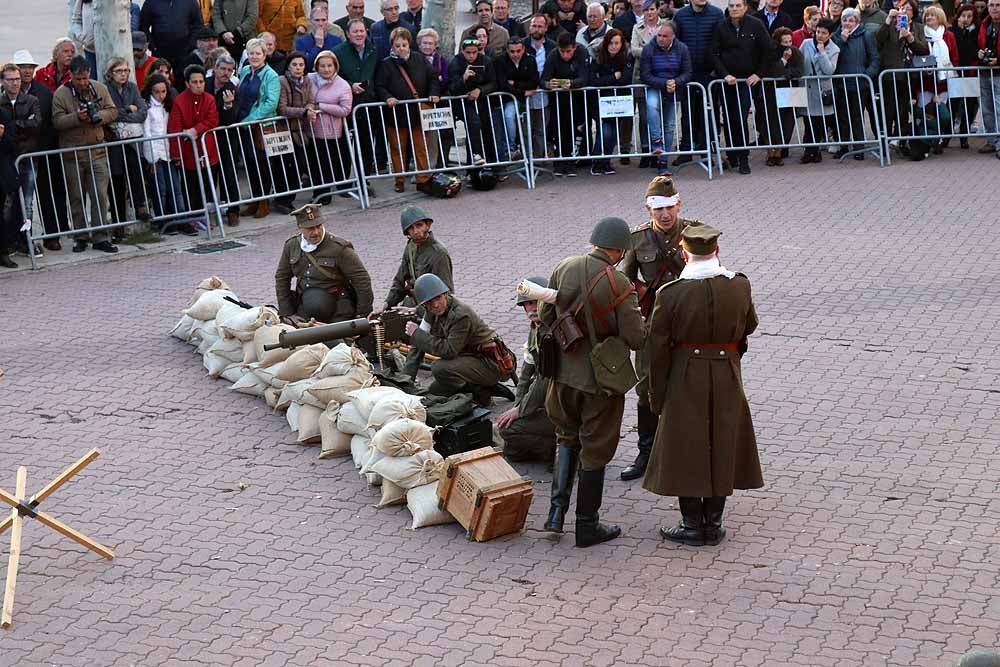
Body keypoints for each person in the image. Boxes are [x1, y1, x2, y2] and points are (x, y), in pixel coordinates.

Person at [643, 224, 762, 547]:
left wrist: (657, 393)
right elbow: (749, 325)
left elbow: (657, 349)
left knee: (687, 446)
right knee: (722, 440)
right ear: (717, 252)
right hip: (726, 372)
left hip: (685, 373)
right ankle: (714, 522)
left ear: (685, 254)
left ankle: (692, 523)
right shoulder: (739, 285)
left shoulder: (671, 294)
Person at [538, 217, 644, 547]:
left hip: (562, 374)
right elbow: (636, 338)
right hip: (599, 382)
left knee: (566, 438)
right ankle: (587, 525)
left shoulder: (563, 267)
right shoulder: (620, 284)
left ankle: (556, 515)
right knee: (595, 451)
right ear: (618, 250)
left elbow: (545, 316)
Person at [617, 176, 692, 481]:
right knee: (647, 389)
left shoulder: (695, 233)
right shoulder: (637, 239)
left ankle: (683, 450)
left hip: (686, 324)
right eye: (658, 208)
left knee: (686, 387)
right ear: (648, 209)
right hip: (651, 326)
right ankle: (646, 452)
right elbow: (626, 283)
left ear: (679, 204)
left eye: (670, 207)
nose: (665, 214)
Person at [404, 273, 513, 403]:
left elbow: (448, 351)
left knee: (439, 368)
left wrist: (416, 334)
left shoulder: (460, 315)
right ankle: (478, 386)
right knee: (434, 392)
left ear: (445, 294)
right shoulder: (431, 312)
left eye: (438, 298)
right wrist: (405, 382)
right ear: (424, 305)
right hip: (467, 359)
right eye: (429, 302)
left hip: (490, 363)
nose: (435, 305)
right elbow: (418, 347)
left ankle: (481, 390)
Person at [51, 55, 118, 254]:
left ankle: (101, 236)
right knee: (77, 196)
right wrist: (77, 118)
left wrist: (99, 118)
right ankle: (80, 236)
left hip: (97, 151)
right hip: (73, 153)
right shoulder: (61, 94)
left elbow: (112, 111)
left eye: (85, 78)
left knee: (99, 195)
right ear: (70, 75)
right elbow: (57, 122)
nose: (82, 82)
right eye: (78, 79)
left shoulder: (99, 88)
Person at [379, 205, 454, 377]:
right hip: (416, 302)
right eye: (411, 228)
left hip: (435, 308)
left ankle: (408, 376)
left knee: (418, 333)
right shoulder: (411, 247)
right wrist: (386, 304)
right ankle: (390, 354)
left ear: (428, 225)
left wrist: (415, 310)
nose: (416, 231)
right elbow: (400, 278)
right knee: (388, 320)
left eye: (419, 225)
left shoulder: (438, 253)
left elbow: (446, 295)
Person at [274, 203, 374, 325]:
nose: (316, 232)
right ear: (300, 227)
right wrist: (287, 313)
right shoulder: (292, 246)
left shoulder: (339, 248)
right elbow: (282, 278)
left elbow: (362, 281)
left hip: (338, 312)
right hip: (305, 312)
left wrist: (361, 317)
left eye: (318, 226)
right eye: (310, 228)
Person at [496, 276, 558, 465]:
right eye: (526, 304)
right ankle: (545, 445)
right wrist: (517, 406)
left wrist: (520, 411)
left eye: (534, 302)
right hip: (547, 399)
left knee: (507, 431)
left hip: (562, 408)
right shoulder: (535, 329)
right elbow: (525, 376)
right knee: (512, 449)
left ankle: (555, 445)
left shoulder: (553, 330)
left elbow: (545, 379)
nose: (530, 308)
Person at [376, 27, 441, 194]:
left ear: (409, 44)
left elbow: (433, 77)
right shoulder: (385, 64)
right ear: (392, 46)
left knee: (421, 147)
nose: (401, 48)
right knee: (397, 149)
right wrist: (387, 97)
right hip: (396, 114)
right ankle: (399, 180)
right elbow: (380, 86)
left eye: (404, 45)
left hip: (417, 112)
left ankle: (423, 179)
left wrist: (433, 93)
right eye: (397, 45)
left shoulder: (419, 59)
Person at [711, 0, 771, 175]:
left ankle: (743, 157)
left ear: (745, 8)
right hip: (727, 81)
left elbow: (768, 50)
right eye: (731, 6)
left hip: (745, 81)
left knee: (740, 118)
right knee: (728, 119)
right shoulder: (721, 27)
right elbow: (713, 53)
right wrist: (724, 74)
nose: (735, 9)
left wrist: (758, 74)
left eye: (738, 6)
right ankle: (732, 155)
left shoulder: (756, 25)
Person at [15, 50, 63, 252]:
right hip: (18, 155)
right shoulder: (6, 93)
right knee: (22, 199)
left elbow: (49, 124)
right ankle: (21, 240)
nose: (27, 71)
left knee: (47, 194)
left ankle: (52, 235)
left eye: (30, 67)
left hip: (42, 151)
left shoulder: (44, 92)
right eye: (22, 67)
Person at [334, 20, 383, 195]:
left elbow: (379, 73)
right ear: (348, 34)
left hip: (369, 104)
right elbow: (332, 75)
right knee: (345, 145)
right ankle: (343, 184)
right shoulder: (338, 52)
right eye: (355, 31)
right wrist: (350, 85)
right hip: (347, 104)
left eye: (361, 31)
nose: (359, 34)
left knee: (367, 145)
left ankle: (364, 180)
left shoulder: (374, 49)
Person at [104, 57, 151, 238]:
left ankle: (140, 205)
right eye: (119, 71)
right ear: (111, 73)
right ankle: (118, 222)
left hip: (130, 141)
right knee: (116, 181)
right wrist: (127, 110)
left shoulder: (132, 87)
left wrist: (125, 113)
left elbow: (142, 112)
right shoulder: (106, 89)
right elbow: (111, 114)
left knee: (136, 167)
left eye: (126, 71)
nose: (124, 74)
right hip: (113, 141)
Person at [167, 65, 219, 231]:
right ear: (188, 83)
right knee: (192, 187)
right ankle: (194, 217)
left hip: (207, 150)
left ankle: (205, 215)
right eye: (195, 82)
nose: (199, 85)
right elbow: (174, 128)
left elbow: (213, 119)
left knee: (208, 184)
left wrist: (195, 130)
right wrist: (176, 155)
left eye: (201, 81)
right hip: (188, 153)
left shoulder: (210, 99)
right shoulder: (180, 101)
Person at [673, 0, 724, 165]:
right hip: (687, 73)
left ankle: (707, 149)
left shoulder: (717, 14)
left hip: (709, 72)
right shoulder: (680, 16)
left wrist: (716, 67)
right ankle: (687, 149)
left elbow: (720, 43)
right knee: (687, 113)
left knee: (709, 112)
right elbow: (676, 43)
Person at [141, 74, 192, 234]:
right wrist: (151, 159)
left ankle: (181, 219)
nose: (160, 95)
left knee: (176, 188)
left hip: (169, 153)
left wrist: (175, 153)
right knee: (160, 189)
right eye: (157, 92)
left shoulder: (169, 106)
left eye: (163, 91)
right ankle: (163, 221)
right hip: (155, 155)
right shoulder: (148, 108)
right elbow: (147, 134)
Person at [236, 37, 281, 220]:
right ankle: (254, 199)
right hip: (244, 124)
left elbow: (271, 103)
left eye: (258, 53)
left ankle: (264, 201)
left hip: (260, 126)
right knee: (249, 163)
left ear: (265, 55)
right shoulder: (245, 71)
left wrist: (251, 119)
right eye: (251, 53)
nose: (254, 57)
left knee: (262, 163)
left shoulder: (271, 75)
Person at [876, 0, 930, 151]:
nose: (905, 11)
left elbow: (924, 49)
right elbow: (878, 40)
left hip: (909, 74)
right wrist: (888, 21)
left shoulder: (918, 27)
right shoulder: (891, 25)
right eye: (902, 8)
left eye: (908, 9)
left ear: (913, 12)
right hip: (891, 72)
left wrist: (910, 38)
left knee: (903, 109)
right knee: (888, 108)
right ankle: (885, 141)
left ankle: (900, 139)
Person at [0, 61, 41, 257]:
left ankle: (27, 240)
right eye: (11, 80)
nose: (15, 83)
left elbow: (36, 124)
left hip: (26, 157)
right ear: (3, 82)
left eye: (17, 79)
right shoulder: (1, 103)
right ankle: (8, 241)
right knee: (8, 202)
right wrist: (21, 125)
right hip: (8, 158)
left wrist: (11, 126)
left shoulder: (31, 100)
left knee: (27, 201)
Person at [640, 22, 692, 176]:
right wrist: (664, 83)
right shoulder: (649, 49)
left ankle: (663, 162)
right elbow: (645, 75)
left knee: (669, 126)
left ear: (673, 37)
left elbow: (688, 72)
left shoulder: (682, 49)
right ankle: (657, 141)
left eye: (664, 36)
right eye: (659, 35)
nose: (661, 39)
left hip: (674, 88)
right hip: (655, 86)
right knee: (651, 105)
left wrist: (676, 82)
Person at [271, 51, 317, 215]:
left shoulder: (307, 81)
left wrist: (310, 108)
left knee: (298, 165)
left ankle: (289, 197)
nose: (298, 68)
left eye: (301, 65)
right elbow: (282, 108)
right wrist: (304, 112)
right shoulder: (282, 81)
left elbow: (311, 100)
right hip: (285, 129)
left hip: (300, 130)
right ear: (288, 66)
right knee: (286, 166)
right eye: (295, 65)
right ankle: (283, 200)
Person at [305, 50, 353, 204]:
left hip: (331, 132)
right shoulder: (309, 79)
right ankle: (318, 193)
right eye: (322, 66)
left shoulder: (343, 85)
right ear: (316, 67)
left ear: (335, 66)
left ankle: (326, 196)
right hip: (310, 129)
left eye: (329, 66)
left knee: (327, 164)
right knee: (314, 164)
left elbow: (345, 109)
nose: (326, 69)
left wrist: (322, 107)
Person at [833, 8, 879, 159]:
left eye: (851, 20)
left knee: (857, 116)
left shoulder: (866, 35)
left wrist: (867, 75)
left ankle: (859, 148)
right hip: (842, 82)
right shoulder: (836, 36)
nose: (847, 23)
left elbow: (874, 58)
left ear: (857, 22)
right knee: (842, 117)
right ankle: (844, 146)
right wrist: (842, 40)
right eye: (845, 20)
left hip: (860, 83)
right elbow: (833, 55)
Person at [541, 32, 590, 176]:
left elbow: (585, 77)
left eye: (568, 51)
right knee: (558, 130)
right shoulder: (553, 55)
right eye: (562, 51)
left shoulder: (582, 52)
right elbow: (543, 79)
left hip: (577, 99)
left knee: (574, 130)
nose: (565, 55)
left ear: (574, 47)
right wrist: (549, 84)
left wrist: (572, 84)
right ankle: (559, 162)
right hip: (558, 100)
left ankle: (571, 162)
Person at [449, 37, 501, 166]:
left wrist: (480, 90)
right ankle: (474, 156)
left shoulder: (486, 61)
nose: (471, 56)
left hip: (482, 102)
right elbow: (452, 88)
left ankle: (491, 164)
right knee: (473, 123)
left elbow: (494, 83)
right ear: (462, 51)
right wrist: (464, 78)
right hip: (462, 103)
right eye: (468, 53)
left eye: (474, 52)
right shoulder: (455, 62)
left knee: (488, 129)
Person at [588, 29, 632, 175]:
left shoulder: (625, 58)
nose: (614, 46)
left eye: (617, 43)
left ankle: (606, 161)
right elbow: (594, 81)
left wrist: (609, 80)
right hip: (601, 102)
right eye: (611, 43)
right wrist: (614, 77)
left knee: (613, 133)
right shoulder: (598, 59)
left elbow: (626, 79)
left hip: (619, 102)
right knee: (605, 132)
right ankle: (597, 160)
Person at [205, 53, 241, 226]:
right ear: (215, 69)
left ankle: (233, 210)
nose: (226, 73)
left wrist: (228, 106)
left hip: (226, 137)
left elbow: (232, 119)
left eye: (230, 70)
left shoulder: (232, 88)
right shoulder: (205, 85)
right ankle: (210, 204)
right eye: (223, 69)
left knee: (228, 172)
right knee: (209, 171)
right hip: (208, 137)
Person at [759, 27, 802, 166]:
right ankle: (770, 152)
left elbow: (799, 71)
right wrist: (784, 60)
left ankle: (779, 152)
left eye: (790, 41)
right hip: (772, 91)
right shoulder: (771, 53)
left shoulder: (796, 52)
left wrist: (787, 73)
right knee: (770, 122)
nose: (788, 44)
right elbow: (772, 71)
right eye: (784, 41)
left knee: (787, 122)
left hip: (791, 90)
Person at [799, 18, 841, 162]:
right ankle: (808, 151)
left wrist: (822, 54)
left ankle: (814, 151)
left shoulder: (834, 49)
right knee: (807, 121)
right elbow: (799, 62)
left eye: (823, 33)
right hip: (806, 88)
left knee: (818, 122)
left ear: (829, 34)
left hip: (822, 90)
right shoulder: (806, 44)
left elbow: (829, 70)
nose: (820, 35)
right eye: (818, 32)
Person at [630, 0, 664, 165]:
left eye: (651, 9)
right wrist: (655, 50)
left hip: (662, 76)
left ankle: (658, 150)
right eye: (646, 10)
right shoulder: (637, 28)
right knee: (644, 117)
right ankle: (645, 150)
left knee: (659, 117)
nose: (649, 13)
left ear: (657, 10)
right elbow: (634, 50)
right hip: (641, 77)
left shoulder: (666, 26)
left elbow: (671, 45)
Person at [497, 37, 539, 161]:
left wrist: (515, 84)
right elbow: (503, 85)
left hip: (527, 98)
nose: (515, 54)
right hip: (509, 98)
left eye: (518, 51)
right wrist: (523, 92)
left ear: (523, 49)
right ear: (507, 51)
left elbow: (533, 82)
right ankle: (511, 148)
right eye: (512, 51)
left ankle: (530, 151)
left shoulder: (530, 60)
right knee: (508, 115)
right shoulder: (500, 61)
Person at [948, 4, 981, 149]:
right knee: (953, 105)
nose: (966, 19)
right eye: (963, 16)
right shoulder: (952, 31)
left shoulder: (977, 32)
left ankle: (964, 135)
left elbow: (971, 49)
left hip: (970, 72)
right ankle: (947, 135)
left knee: (969, 105)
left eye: (969, 16)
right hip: (955, 72)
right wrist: (960, 31)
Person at [139, 0, 205, 70]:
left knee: (182, 78)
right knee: (160, 79)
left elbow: (198, 25)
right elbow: (143, 26)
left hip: (185, 53)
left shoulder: (190, 2)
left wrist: (190, 46)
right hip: (160, 53)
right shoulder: (150, 2)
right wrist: (152, 46)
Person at [295, 4, 344, 72]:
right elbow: (304, 66)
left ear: (327, 21)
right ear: (311, 22)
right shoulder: (301, 42)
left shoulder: (337, 40)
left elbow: (340, 65)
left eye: (323, 20)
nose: (320, 24)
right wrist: (318, 46)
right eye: (317, 20)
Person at [212, 0, 259, 64]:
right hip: (224, 40)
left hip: (245, 39)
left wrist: (237, 32)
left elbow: (252, 17)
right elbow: (216, 15)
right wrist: (223, 32)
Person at [0, 108, 19, 268]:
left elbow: (12, 145)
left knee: (2, 216)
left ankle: (3, 253)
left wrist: (2, 136)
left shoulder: (3, 115)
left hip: (2, 174)